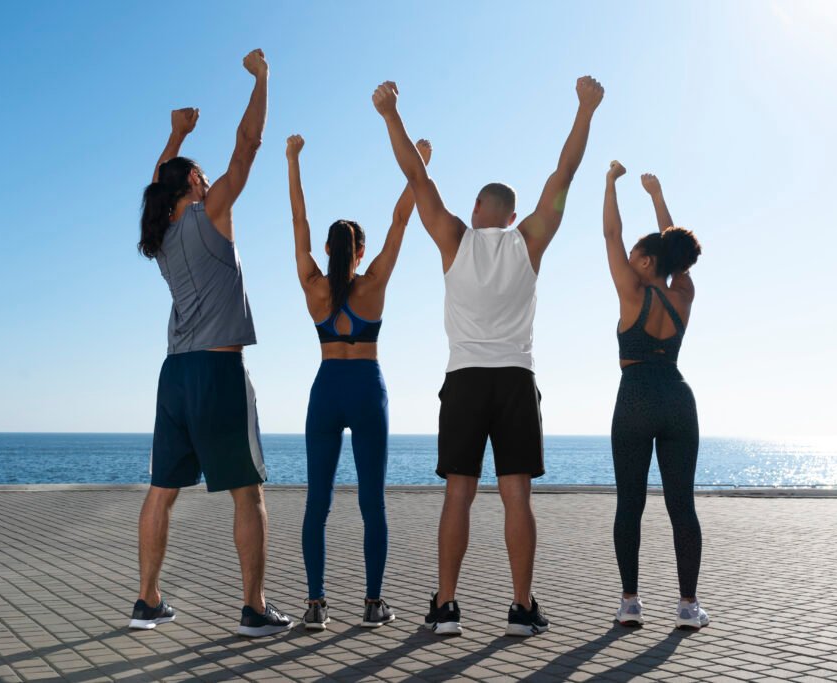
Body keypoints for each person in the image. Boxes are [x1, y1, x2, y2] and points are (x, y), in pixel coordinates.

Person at [372, 76, 604, 637]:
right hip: (516, 380)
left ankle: (446, 606)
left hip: (466, 379)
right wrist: (585, 108)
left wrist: (390, 114)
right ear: (511, 213)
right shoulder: (530, 240)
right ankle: (523, 608)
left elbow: (416, 175)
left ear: (479, 207)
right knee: (516, 495)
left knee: (459, 493)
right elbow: (564, 174)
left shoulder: (453, 236)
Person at [131, 49, 293, 638]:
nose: (207, 179)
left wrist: (174, 134)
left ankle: (146, 601)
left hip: (174, 376)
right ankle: (254, 608)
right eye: (199, 175)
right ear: (195, 186)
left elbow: (158, 183)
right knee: (247, 496)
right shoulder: (209, 212)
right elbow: (247, 146)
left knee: (161, 492)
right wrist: (263, 79)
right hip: (218, 373)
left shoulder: (164, 234)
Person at [286, 133, 433, 631]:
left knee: (317, 504)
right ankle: (373, 606)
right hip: (368, 388)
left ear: (327, 249)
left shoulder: (313, 285)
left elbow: (298, 221)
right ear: (361, 249)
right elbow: (400, 221)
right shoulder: (373, 285)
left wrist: (292, 160)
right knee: (373, 501)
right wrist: (420, 166)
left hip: (326, 389)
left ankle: (315, 606)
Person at [602, 161, 708, 629]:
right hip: (678, 397)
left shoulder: (632, 292)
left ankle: (631, 603)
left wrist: (610, 184)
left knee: (631, 502)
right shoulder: (682, 293)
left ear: (646, 262)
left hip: (637, 397)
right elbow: (676, 254)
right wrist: (658, 197)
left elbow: (610, 233)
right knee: (681, 505)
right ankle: (688, 607)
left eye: (633, 255)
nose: (624, 258)